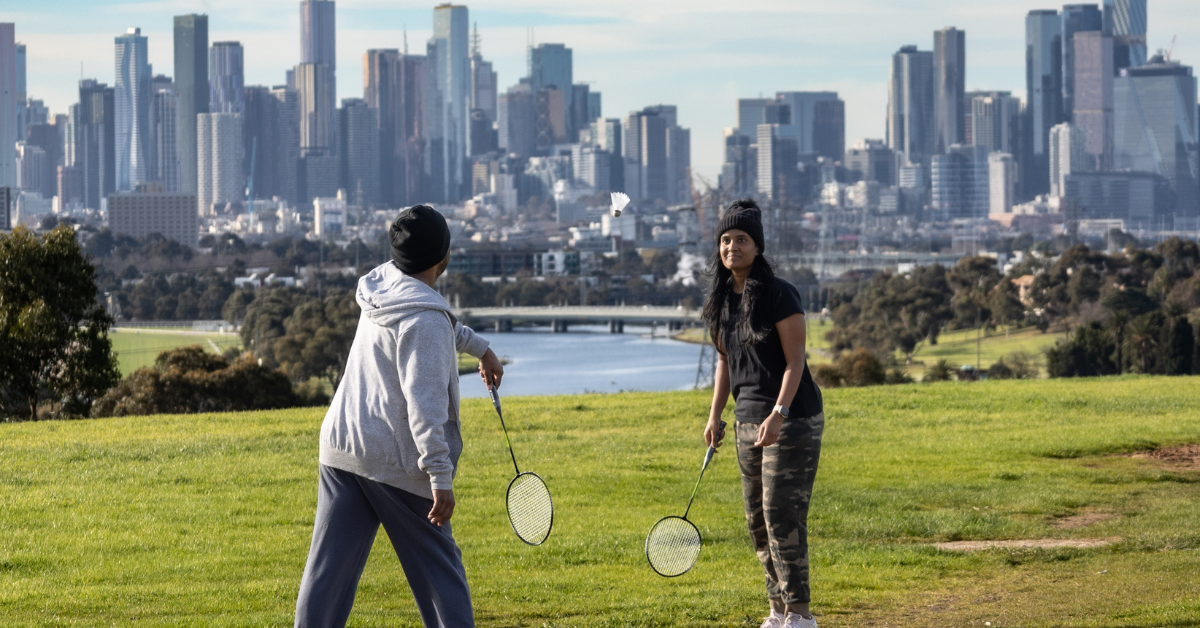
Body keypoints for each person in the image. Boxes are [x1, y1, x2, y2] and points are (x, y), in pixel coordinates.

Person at [294, 205, 504, 628]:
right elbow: (424, 407)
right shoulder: (424, 320)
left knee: (326, 578)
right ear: (443, 256)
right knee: (442, 577)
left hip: (343, 446)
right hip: (394, 459)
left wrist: (480, 348)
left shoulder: (386, 284)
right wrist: (439, 478)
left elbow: (433, 321)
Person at [701, 199, 824, 628]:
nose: (732, 246)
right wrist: (715, 416)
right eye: (726, 239)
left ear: (758, 247)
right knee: (756, 520)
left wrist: (779, 413)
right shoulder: (720, 300)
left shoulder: (779, 294)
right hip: (745, 421)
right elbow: (724, 362)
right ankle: (777, 611)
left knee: (781, 515)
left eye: (742, 239)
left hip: (791, 418)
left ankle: (801, 615)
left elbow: (796, 362)